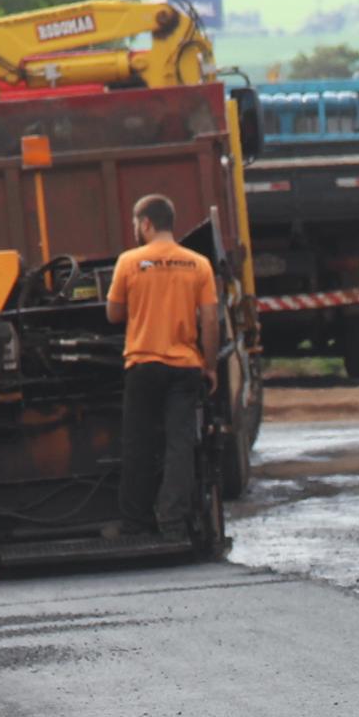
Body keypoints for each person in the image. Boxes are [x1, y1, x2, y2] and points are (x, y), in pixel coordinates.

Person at [105, 194, 217, 538]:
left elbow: (113, 314)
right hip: (184, 367)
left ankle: (135, 524)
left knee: (138, 445)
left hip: (143, 364)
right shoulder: (198, 265)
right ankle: (173, 521)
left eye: (136, 224)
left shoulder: (129, 261)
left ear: (146, 224)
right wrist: (209, 367)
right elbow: (210, 320)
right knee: (179, 445)